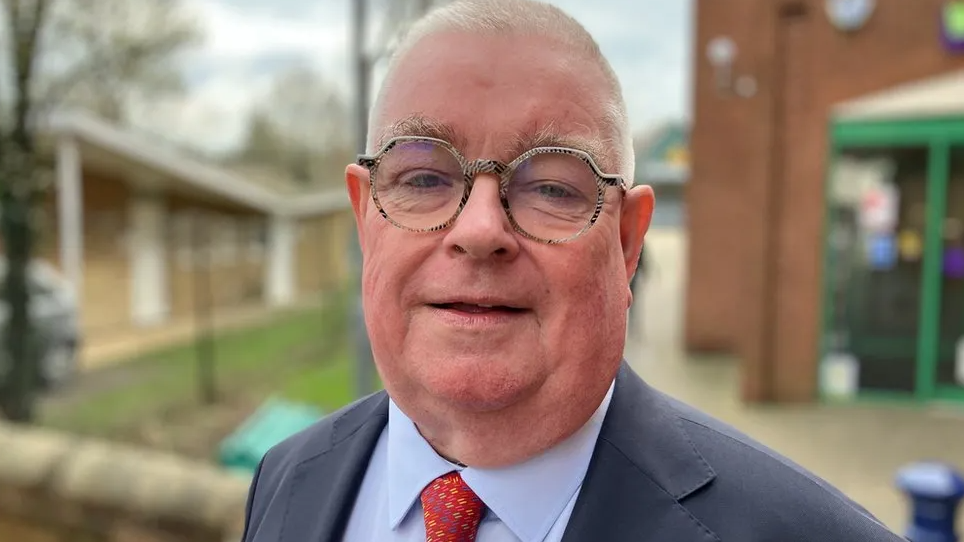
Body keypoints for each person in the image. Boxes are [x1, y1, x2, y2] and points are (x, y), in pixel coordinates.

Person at [240, 1, 903, 540]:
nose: (478, 230)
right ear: (365, 218)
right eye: (422, 177)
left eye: (553, 187)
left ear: (626, 241)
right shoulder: (287, 478)